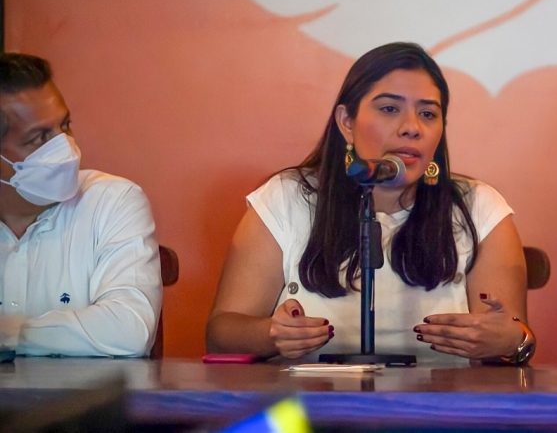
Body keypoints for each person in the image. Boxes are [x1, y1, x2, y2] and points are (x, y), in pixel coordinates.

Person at [206, 42, 533, 364]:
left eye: (428, 114)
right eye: (389, 109)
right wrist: (271, 334)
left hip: (439, 397)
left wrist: (511, 341)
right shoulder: (288, 198)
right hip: (309, 396)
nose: (412, 128)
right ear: (347, 122)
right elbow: (221, 335)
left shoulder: (479, 208)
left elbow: (512, 342)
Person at [0, 53, 161, 356]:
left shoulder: (113, 201)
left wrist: (12, 333)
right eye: (40, 138)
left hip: (90, 390)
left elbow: (130, 329)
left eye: (65, 126)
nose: (65, 146)